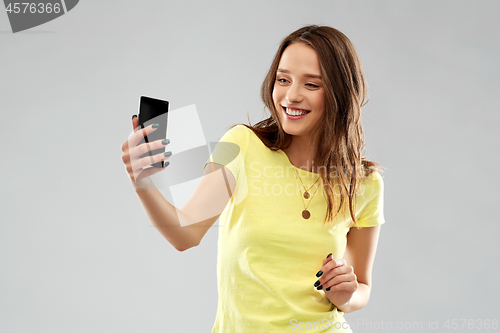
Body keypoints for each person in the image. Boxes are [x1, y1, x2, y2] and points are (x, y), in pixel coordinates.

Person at [121, 25, 385, 333]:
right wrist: (142, 181)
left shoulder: (364, 182)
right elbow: (185, 234)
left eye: (312, 85)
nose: (292, 95)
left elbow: (362, 286)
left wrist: (347, 294)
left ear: (341, 93)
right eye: (283, 79)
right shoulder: (243, 146)